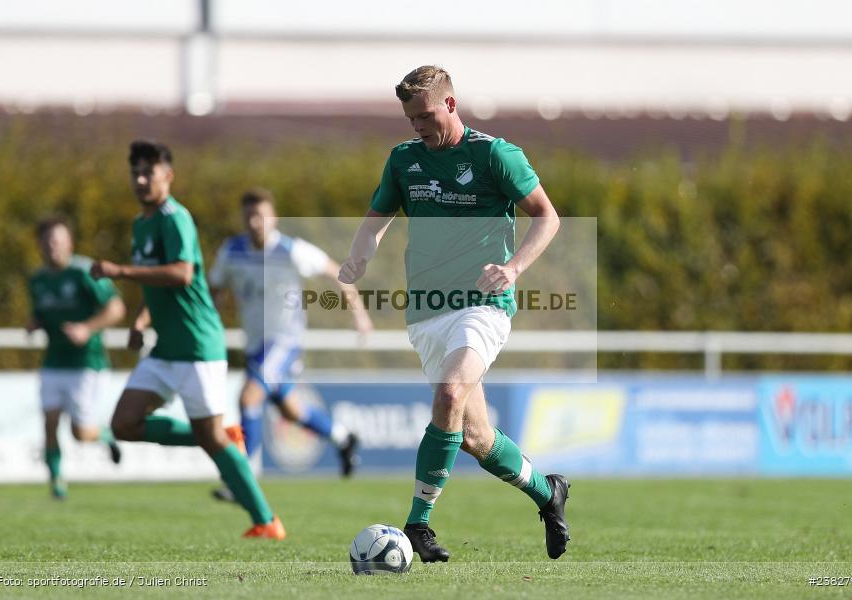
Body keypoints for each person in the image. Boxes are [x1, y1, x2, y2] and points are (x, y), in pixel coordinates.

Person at [339, 66, 570, 562]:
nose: (417, 125)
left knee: (449, 391)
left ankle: (417, 524)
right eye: (410, 118)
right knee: (474, 437)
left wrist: (513, 268)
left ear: (450, 104)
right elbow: (375, 222)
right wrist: (360, 256)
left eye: (425, 115)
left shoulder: (494, 155)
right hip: (427, 313)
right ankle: (547, 492)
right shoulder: (404, 160)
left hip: (483, 305)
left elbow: (547, 216)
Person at [90, 140, 284, 540]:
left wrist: (120, 272)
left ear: (168, 176)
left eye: (148, 173)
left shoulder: (175, 218)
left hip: (198, 347)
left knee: (210, 437)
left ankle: (267, 521)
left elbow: (182, 273)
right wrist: (141, 319)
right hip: (166, 348)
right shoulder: (141, 224)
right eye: (135, 173)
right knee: (124, 423)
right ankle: (223, 437)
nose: (140, 180)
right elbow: (157, 285)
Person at [208, 188, 371, 501]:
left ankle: (242, 480)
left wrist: (360, 314)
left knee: (249, 396)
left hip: (285, 340)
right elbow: (215, 287)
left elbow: (336, 272)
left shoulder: (290, 250)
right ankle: (343, 437)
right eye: (249, 216)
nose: (255, 223)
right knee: (290, 409)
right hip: (256, 343)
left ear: (274, 218)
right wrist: (210, 319)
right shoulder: (232, 251)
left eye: (261, 216)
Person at [28, 216, 126, 499]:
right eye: (47, 241)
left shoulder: (84, 272)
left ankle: (105, 435)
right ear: (40, 245)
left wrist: (87, 328)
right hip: (53, 362)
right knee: (49, 422)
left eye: (57, 240)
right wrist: (35, 323)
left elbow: (116, 309)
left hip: (87, 363)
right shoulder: (38, 279)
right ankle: (57, 481)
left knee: (81, 434)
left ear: (69, 243)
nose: (52, 246)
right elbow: (43, 313)